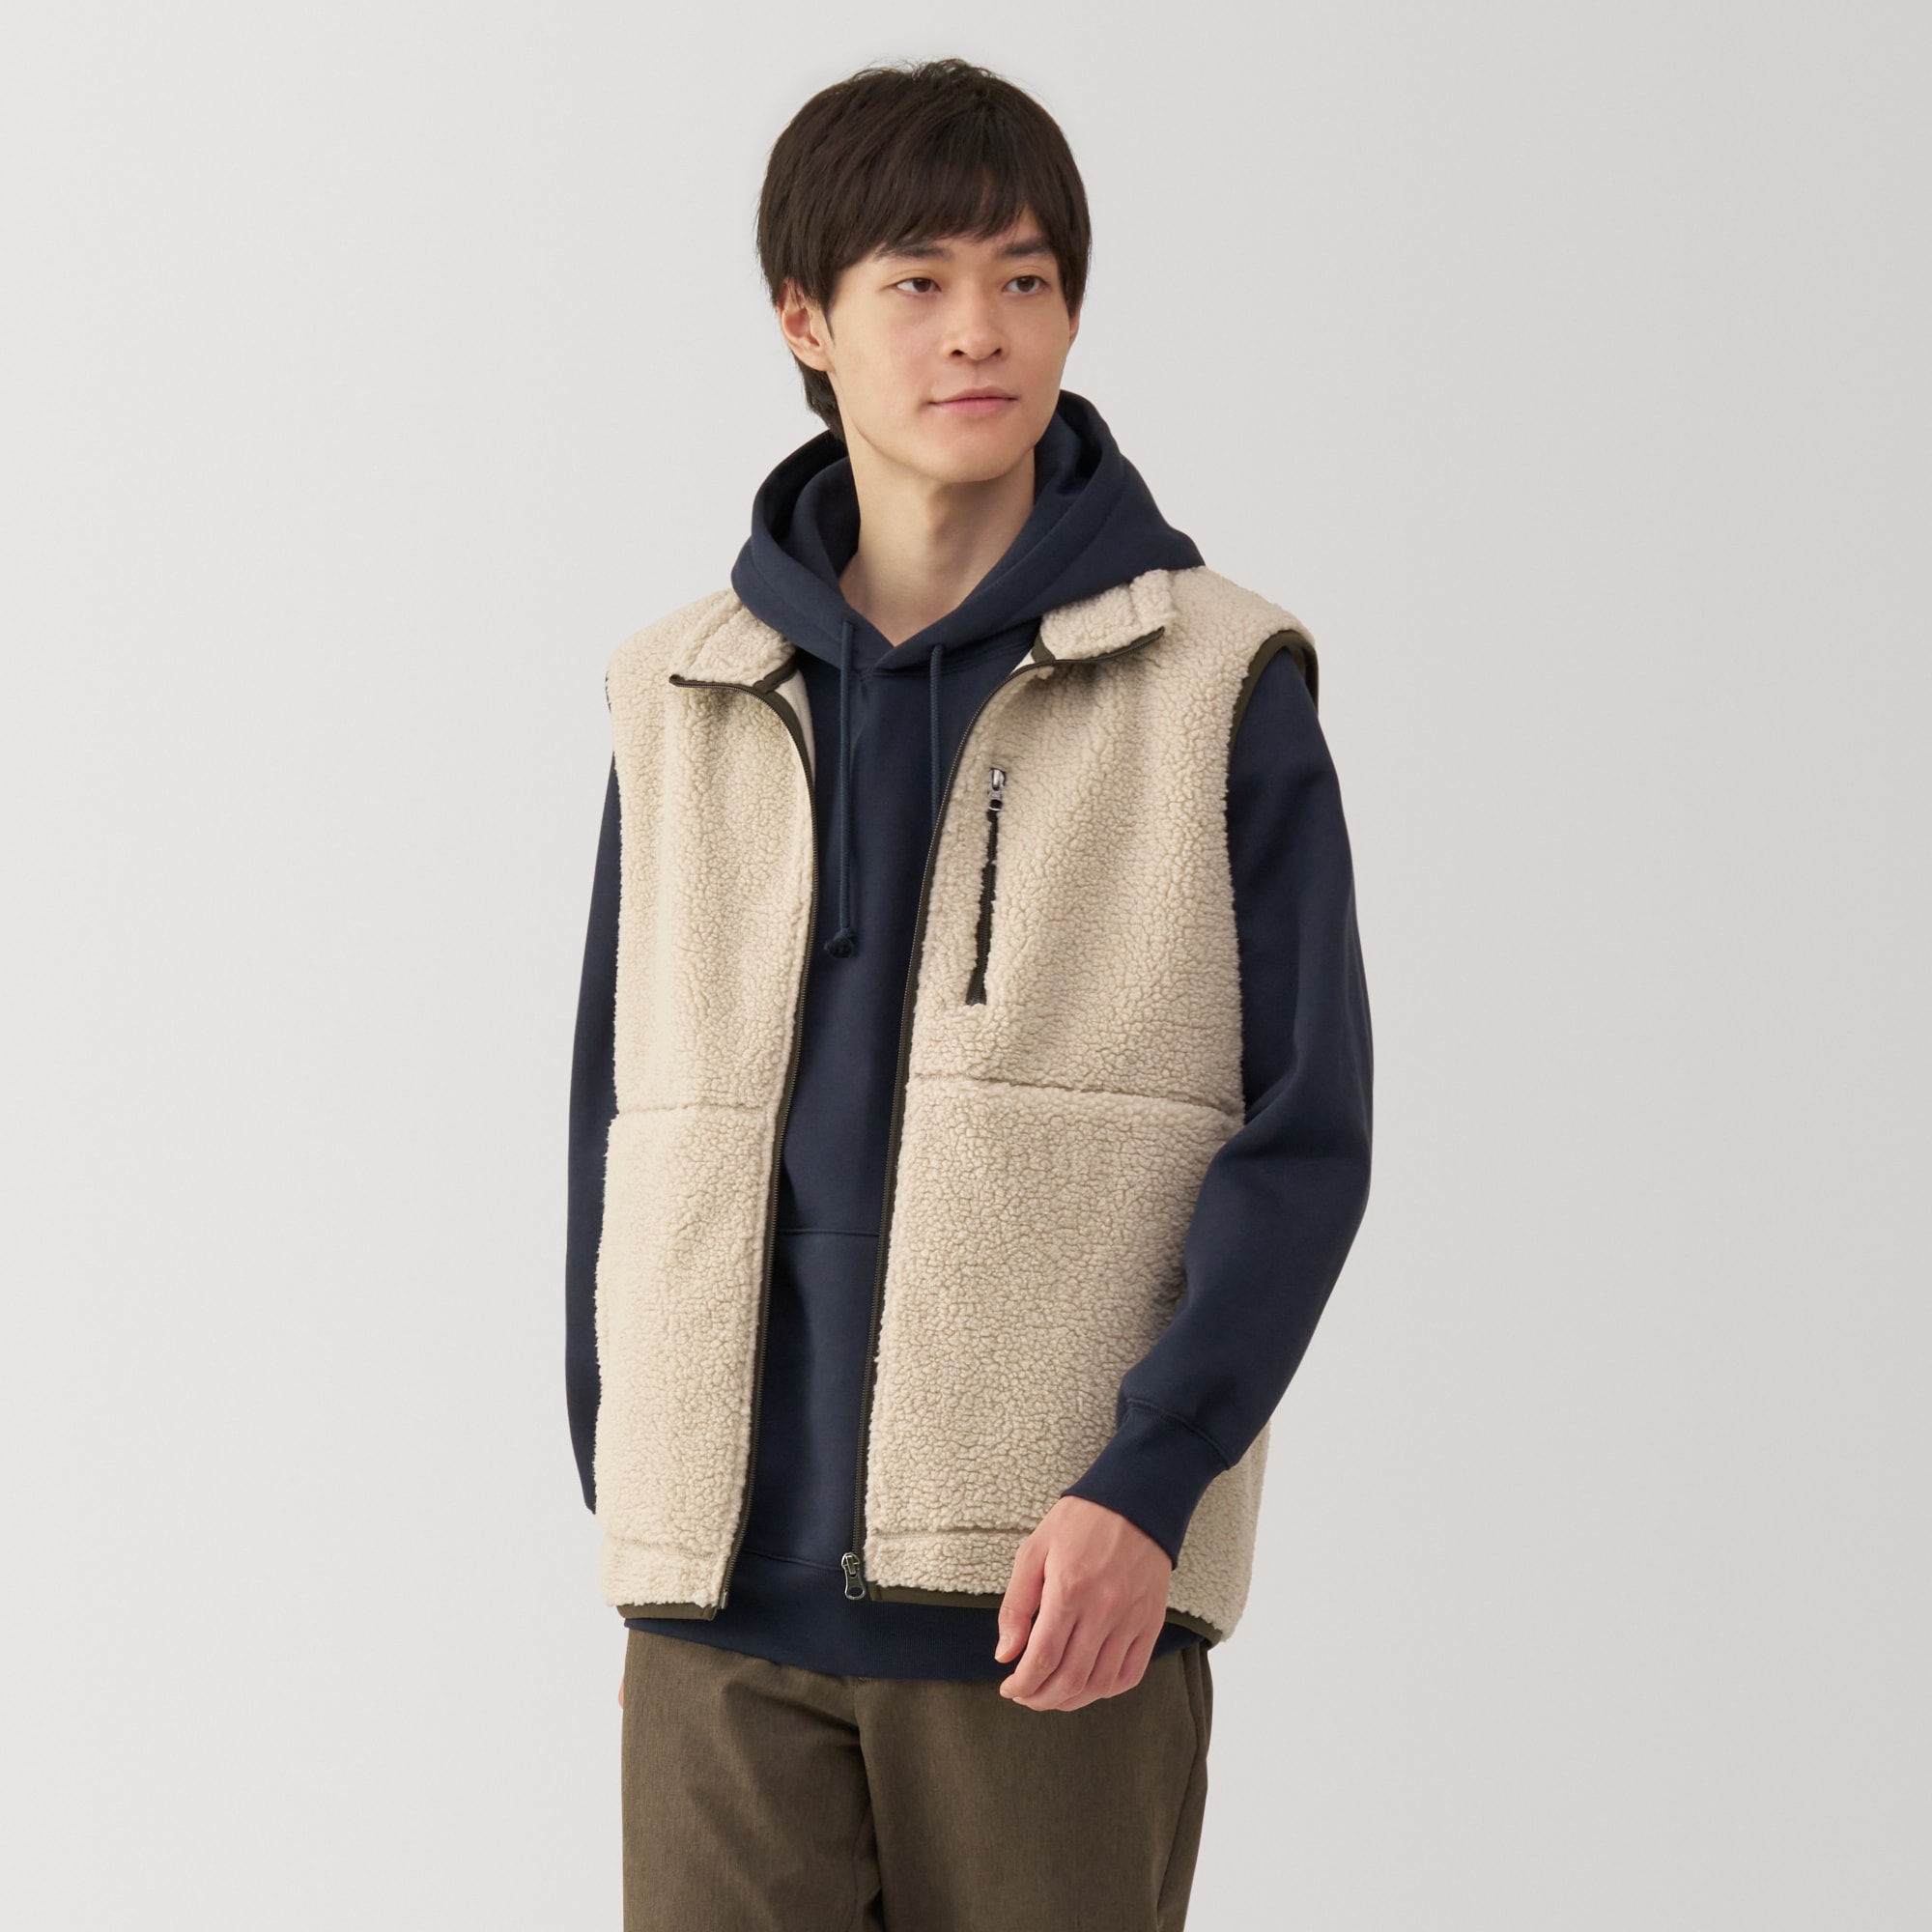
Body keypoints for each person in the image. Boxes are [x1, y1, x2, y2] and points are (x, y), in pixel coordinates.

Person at [565, 55, 1373, 1931]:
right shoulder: (676, 692)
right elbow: (615, 1123)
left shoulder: (1218, 683)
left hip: (1048, 1605)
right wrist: (643, 1525)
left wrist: (1150, 1485)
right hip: (718, 1622)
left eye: (1025, 279)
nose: (979, 333)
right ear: (807, 320)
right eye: (917, 282)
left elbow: (1305, 1139)